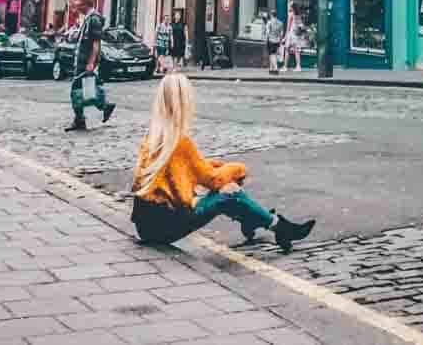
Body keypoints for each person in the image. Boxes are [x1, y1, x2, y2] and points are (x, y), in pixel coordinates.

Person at [131, 73, 315, 251]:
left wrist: (214, 165)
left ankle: (256, 221)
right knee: (230, 193)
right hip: (164, 227)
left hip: (146, 226)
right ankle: (280, 228)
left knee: (229, 193)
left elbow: (186, 169)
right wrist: (238, 169)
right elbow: (213, 180)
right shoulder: (180, 141)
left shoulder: (154, 135)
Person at [66, 0, 115, 132]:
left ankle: (80, 119)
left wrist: (91, 62)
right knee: (87, 90)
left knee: (76, 90)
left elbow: (96, 44)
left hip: (85, 61)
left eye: (79, 5)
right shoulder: (87, 19)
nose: (78, 8)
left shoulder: (94, 20)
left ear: (86, 5)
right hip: (82, 59)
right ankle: (103, 107)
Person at [281, 3, 304, 72]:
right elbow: (301, 26)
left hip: (291, 34)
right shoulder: (298, 16)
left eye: (289, 6)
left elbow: (288, 26)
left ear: (292, 8)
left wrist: (285, 37)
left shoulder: (291, 15)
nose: (288, 7)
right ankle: (298, 66)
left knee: (287, 50)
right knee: (296, 51)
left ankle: (285, 67)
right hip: (296, 35)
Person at [264, 10, 285, 75]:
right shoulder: (280, 23)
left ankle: (275, 68)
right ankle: (271, 68)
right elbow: (282, 33)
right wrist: (280, 39)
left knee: (272, 55)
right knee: (273, 54)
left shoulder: (269, 22)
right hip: (277, 41)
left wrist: (266, 39)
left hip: (271, 40)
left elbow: (267, 32)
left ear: (271, 15)